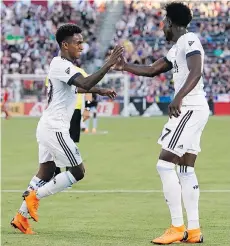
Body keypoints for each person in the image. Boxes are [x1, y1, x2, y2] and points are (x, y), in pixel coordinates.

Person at [11, 23, 123, 234]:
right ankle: (34, 196)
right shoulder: (61, 64)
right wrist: (108, 64)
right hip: (55, 128)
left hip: (47, 126)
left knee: (46, 171)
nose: (82, 46)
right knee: (78, 172)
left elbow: (80, 87)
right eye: (78, 42)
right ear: (65, 44)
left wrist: (100, 91)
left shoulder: (63, 66)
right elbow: (86, 82)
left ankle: (20, 217)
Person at [114, 2, 208, 244]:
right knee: (186, 169)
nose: (162, 27)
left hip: (190, 108)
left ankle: (177, 227)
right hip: (194, 108)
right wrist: (125, 67)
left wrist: (178, 97)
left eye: (163, 23)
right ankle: (194, 230)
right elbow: (154, 69)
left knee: (164, 164)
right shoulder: (177, 46)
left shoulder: (189, 40)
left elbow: (196, 71)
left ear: (170, 23)